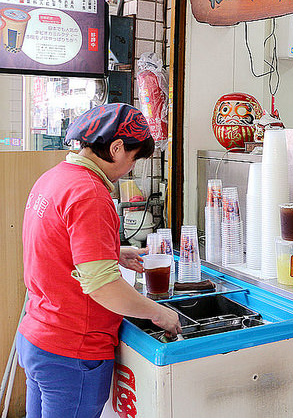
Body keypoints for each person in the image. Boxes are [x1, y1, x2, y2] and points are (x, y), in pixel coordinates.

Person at [16, 103, 181, 418]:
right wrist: (160, 314)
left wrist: (113, 251)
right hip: (72, 351)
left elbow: (54, 245)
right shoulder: (90, 193)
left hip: (38, 338)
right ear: (117, 148)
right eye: (133, 160)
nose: (130, 170)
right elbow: (104, 286)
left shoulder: (54, 179)